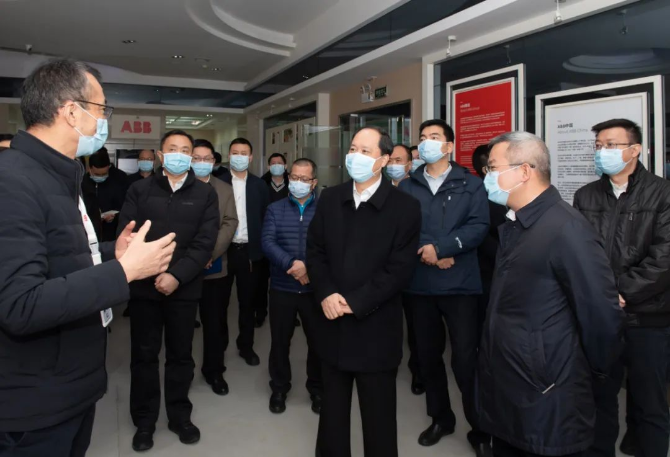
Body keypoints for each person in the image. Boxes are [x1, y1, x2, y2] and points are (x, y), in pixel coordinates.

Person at [0, 58, 176, 457]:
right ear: (71, 112)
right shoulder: (12, 180)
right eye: (101, 109)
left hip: (69, 385)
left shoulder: (57, 174)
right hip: (35, 403)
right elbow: (19, 304)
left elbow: (60, 257)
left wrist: (114, 252)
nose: (103, 120)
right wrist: (123, 271)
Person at [478, 131, 625, 457]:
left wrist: (587, 375)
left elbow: (601, 317)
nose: (487, 176)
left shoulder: (566, 229)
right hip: (513, 387)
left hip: (547, 393)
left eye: (493, 167)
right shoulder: (516, 224)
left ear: (524, 171)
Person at [307, 126, 421, 457]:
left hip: (376, 329)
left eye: (365, 151)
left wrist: (354, 302)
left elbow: (399, 270)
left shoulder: (405, 207)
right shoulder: (331, 198)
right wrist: (326, 293)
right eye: (353, 149)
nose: (355, 156)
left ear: (384, 160)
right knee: (332, 416)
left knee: (379, 419)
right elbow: (315, 251)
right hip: (332, 323)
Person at [118, 129, 219, 452]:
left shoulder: (205, 193)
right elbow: (127, 235)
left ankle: (179, 416)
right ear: (161, 155)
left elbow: (205, 243)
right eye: (172, 148)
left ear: (192, 156)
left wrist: (177, 275)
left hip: (184, 288)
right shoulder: (139, 189)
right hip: (144, 287)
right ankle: (144, 421)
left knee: (180, 355)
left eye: (185, 150)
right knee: (144, 356)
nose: (179, 154)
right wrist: (150, 271)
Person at [574, 119, 670, 457]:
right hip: (601, 316)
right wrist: (600, 295)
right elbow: (579, 252)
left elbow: (664, 258)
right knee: (599, 398)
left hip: (648, 317)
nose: (603, 151)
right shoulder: (585, 196)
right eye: (599, 146)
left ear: (635, 150)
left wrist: (623, 292)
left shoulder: (663, 193)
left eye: (611, 145)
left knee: (649, 402)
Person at [398, 119, 490, 455]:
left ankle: (481, 429)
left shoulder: (471, 184)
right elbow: (401, 229)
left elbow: (478, 226)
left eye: (434, 137)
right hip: (420, 285)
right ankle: (441, 418)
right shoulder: (407, 185)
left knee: (465, 360)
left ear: (449, 146)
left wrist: (444, 248)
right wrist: (432, 252)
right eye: (423, 137)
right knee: (427, 356)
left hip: (460, 286)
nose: (426, 142)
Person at [262, 158, 322, 415]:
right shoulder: (274, 209)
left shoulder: (325, 210)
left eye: (304, 179)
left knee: (318, 343)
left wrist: (308, 267)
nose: (298, 182)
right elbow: (268, 242)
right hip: (282, 287)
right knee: (279, 342)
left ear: (314, 182)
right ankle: (279, 388)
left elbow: (330, 245)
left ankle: (317, 388)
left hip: (314, 290)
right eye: (294, 177)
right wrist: (292, 264)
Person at [191, 139, 238, 397]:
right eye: (196, 158)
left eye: (206, 158)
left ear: (214, 161)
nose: (202, 162)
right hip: (183, 268)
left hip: (215, 266)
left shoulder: (224, 189)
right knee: (182, 324)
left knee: (215, 323)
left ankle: (214, 371)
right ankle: (183, 371)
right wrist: (192, 257)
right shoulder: (178, 186)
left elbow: (230, 222)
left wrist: (209, 254)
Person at [220, 138, 270, 367]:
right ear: (229, 156)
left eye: (243, 153)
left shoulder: (260, 186)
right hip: (223, 251)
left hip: (249, 253)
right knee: (219, 304)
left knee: (247, 304)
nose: (239, 156)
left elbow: (266, 219)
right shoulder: (218, 183)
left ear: (250, 158)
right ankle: (219, 347)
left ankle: (246, 346)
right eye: (235, 152)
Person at [386, 143, 423, 395]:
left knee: (416, 325)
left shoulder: (417, 192)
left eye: (399, 161)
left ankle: (418, 370)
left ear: (409, 165)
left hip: (412, 270)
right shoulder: (379, 189)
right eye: (390, 160)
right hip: (382, 271)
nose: (393, 165)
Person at [471, 144, 508, 339]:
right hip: (487, 271)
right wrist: (505, 257)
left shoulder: (505, 193)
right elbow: (481, 233)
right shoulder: (479, 196)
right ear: (487, 169)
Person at [256, 153, 289, 328]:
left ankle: (289, 313)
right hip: (265, 238)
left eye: (280, 163)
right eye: (273, 163)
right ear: (268, 167)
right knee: (261, 280)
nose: (277, 165)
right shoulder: (261, 185)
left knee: (286, 277)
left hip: (286, 239)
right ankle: (260, 312)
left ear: (285, 166)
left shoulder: (293, 185)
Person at [81, 147, 129, 242]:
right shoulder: (83, 182)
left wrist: (115, 216)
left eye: (104, 174)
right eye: (97, 174)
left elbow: (126, 204)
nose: (101, 177)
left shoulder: (120, 178)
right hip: (91, 231)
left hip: (114, 231)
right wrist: (97, 217)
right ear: (89, 169)